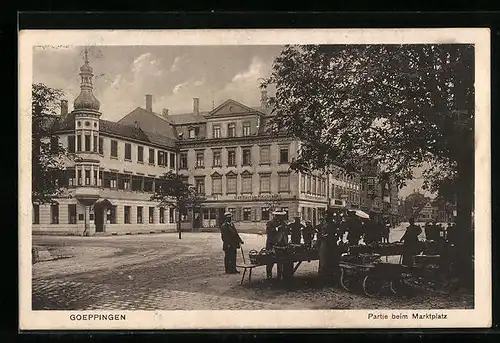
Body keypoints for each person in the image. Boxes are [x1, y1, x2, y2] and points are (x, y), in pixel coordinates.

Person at [265, 213, 280, 279]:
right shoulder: (270, 223)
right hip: (271, 244)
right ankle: (269, 275)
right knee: (270, 260)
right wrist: (276, 228)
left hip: (279, 244)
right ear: (275, 216)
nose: (280, 217)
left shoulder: (282, 222)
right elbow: (268, 231)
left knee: (280, 260)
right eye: (279, 216)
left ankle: (279, 275)